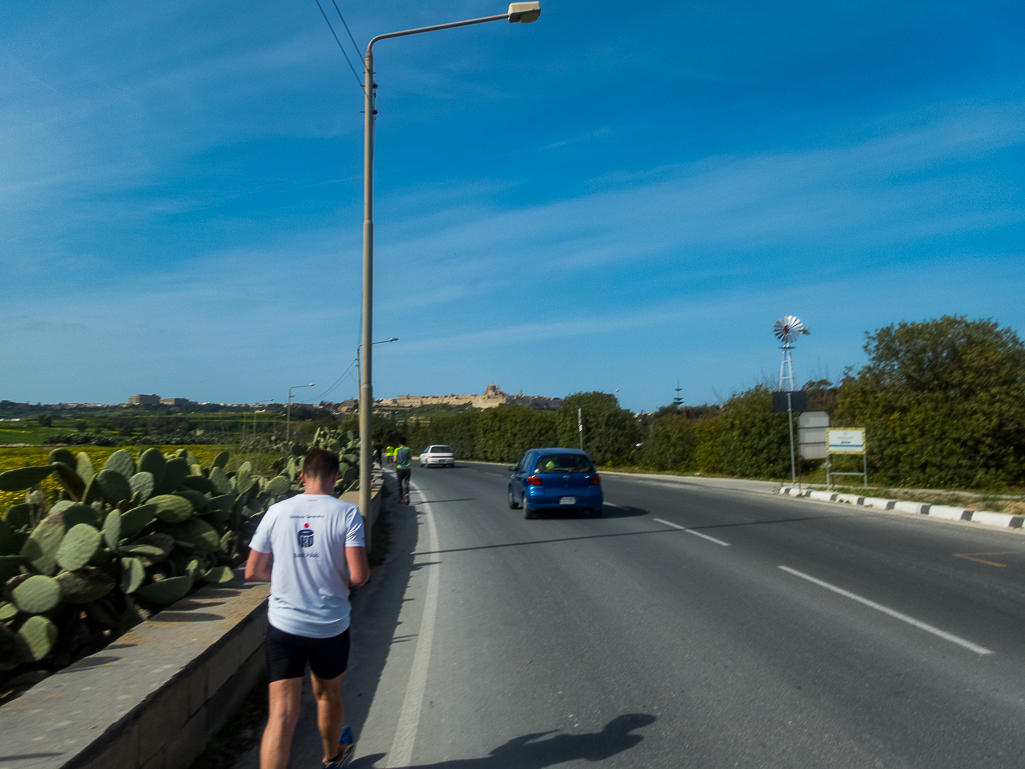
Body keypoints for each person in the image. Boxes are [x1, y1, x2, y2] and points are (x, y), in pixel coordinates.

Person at [245, 448, 370, 769]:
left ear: (301, 477)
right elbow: (359, 576)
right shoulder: (347, 513)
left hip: (284, 626)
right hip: (330, 626)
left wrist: (285, 573)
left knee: (282, 715)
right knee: (327, 696)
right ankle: (332, 757)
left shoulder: (276, 511)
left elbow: (253, 571)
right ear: (336, 477)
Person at [395, 440, 412, 505]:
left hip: (400, 468)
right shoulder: (408, 449)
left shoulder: (397, 449)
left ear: (399, 443)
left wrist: (397, 463)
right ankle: (407, 493)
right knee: (407, 482)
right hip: (407, 468)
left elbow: (395, 459)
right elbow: (410, 459)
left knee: (399, 484)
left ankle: (401, 499)